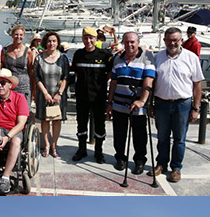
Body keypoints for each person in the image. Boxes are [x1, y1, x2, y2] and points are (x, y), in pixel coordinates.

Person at [152, 27, 203, 183]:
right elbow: (151, 81)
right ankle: (161, 164)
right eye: (169, 40)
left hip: (183, 104)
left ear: (181, 40)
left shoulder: (191, 57)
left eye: (176, 40)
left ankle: (176, 168)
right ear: (164, 41)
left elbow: (197, 84)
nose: (172, 43)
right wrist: (150, 105)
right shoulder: (157, 57)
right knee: (162, 137)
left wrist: (195, 108)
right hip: (161, 103)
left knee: (179, 139)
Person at [107, 31, 155, 174]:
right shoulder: (117, 58)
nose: (130, 45)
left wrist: (142, 100)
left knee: (139, 135)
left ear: (138, 43)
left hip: (138, 106)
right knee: (119, 134)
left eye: (133, 42)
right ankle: (120, 158)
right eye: (127, 42)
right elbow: (113, 83)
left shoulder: (147, 56)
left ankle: (139, 160)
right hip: (119, 104)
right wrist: (109, 103)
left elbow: (149, 81)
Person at [70, 27, 113, 163]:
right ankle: (81, 149)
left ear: (95, 39)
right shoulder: (78, 54)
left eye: (91, 38)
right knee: (81, 124)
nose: (88, 41)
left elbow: (110, 74)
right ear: (82, 39)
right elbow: (76, 73)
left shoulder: (104, 55)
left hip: (98, 96)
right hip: (82, 95)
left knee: (100, 125)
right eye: (85, 38)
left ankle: (98, 151)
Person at [0, 67, 28, 195]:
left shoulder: (20, 98)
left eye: (3, 83)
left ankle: (6, 178)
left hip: (13, 129)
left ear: (10, 85)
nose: (0, 86)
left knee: (16, 142)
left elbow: (21, 124)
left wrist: (7, 137)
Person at [33, 31, 69, 158]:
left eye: (54, 41)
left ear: (58, 43)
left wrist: (59, 93)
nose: (51, 43)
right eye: (49, 41)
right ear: (45, 43)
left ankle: (54, 145)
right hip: (44, 94)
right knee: (45, 120)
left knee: (56, 120)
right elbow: (36, 77)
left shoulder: (63, 58)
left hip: (58, 94)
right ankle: (47, 145)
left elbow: (65, 77)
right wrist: (45, 93)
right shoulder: (39, 58)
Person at [1, 23, 35, 103]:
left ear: (24, 36)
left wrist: (33, 91)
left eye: (21, 35)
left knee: (24, 112)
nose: (18, 37)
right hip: (9, 86)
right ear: (12, 35)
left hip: (24, 86)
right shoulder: (5, 51)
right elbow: (3, 67)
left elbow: (31, 71)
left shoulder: (28, 52)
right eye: (16, 34)